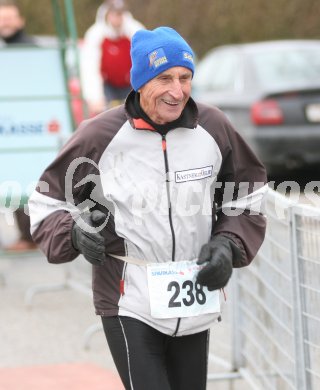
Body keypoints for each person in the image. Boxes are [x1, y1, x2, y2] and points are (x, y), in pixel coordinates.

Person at [29, 27, 268, 389]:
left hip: (193, 293)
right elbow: (45, 202)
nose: (177, 91)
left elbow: (248, 195)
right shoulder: (99, 136)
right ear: (140, 82)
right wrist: (74, 233)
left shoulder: (214, 127)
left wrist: (228, 244)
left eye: (185, 78)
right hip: (128, 296)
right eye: (165, 78)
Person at [0, 0, 36, 251]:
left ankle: (29, 237)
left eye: (10, 18)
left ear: (20, 21)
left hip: (22, 126)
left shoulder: (31, 51)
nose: (6, 23)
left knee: (21, 179)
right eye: (2, 18)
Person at [80, 0, 144, 115]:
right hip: (107, 87)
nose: (117, 18)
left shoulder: (136, 31)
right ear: (108, 14)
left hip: (132, 84)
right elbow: (89, 67)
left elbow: (145, 61)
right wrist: (95, 97)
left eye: (120, 14)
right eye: (114, 14)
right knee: (107, 119)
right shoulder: (95, 34)